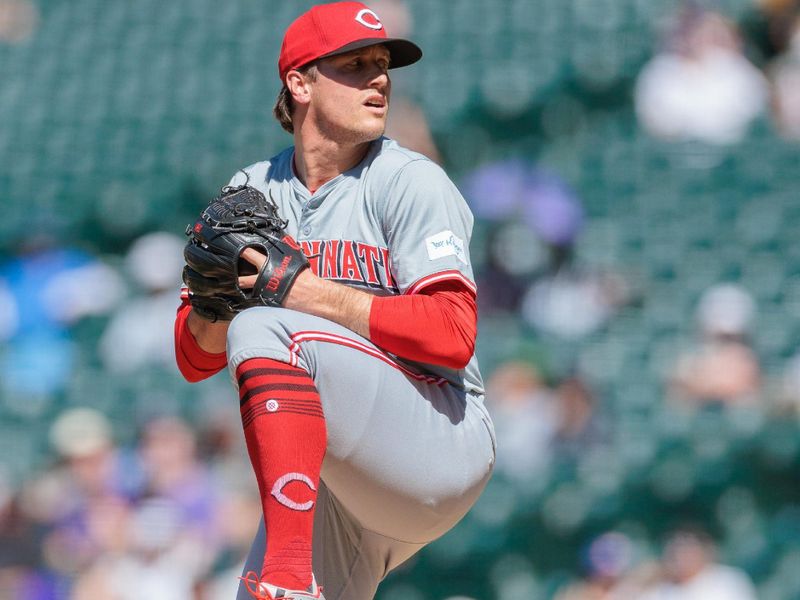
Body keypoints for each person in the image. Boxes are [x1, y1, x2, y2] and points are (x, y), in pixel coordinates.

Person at [173, 3, 495, 599]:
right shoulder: (251, 191)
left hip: (436, 433)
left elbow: (453, 333)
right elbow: (195, 361)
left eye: (383, 66)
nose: (379, 79)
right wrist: (214, 305)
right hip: (336, 480)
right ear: (300, 83)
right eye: (355, 65)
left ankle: (289, 575)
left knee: (266, 328)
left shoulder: (408, 180)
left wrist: (298, 290)